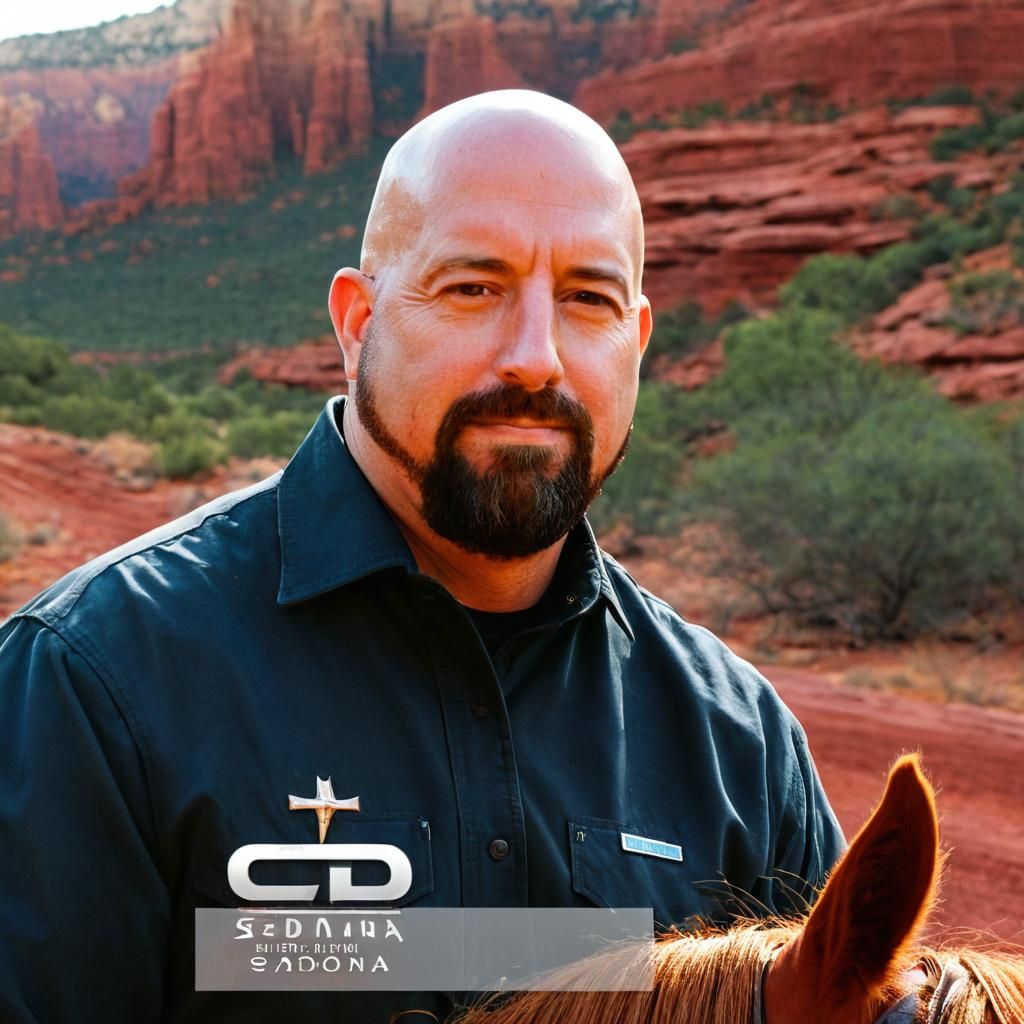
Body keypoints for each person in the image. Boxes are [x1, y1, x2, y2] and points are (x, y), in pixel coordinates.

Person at [0, 90, 844, 1023]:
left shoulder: (739, 747)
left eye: (587, 300)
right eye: (473, 287)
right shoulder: (96, 682)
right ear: (358, 324)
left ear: (636, 342)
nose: (536, 357)